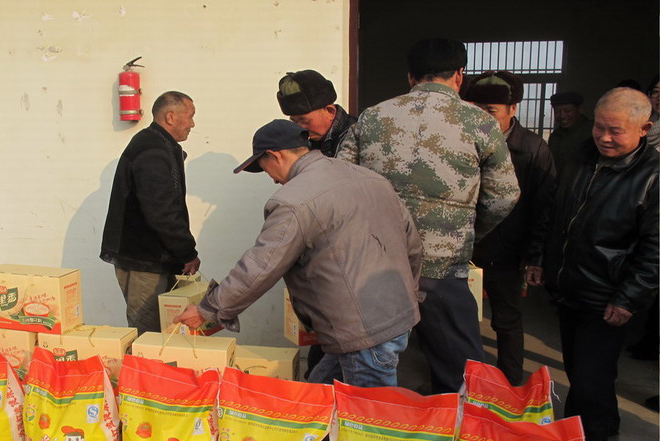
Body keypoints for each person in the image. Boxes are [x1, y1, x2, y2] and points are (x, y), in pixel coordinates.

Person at [174, 119, 422, 388]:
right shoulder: (370, 178)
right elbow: (412, 245)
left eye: (264, 168)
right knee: (318, 393)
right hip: (393, 315)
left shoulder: (294, 200)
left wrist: (209, 309)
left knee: (367, 411)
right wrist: (410, 295)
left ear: (275, 156)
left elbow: (261, 266)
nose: (272, 178)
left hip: (363, 331)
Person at [336, 38, 520, 393]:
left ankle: (375, 424)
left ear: (411, 76)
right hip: (443, 269)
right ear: (459, 75)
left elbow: (341, 186)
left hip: (377, 265)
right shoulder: (480, 123)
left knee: (369, 369)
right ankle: (456, 425)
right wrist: (464, 233)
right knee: (462, 374)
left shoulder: (372, 117)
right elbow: (505, 195)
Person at [526, 87, 659, 441]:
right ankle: (607, 423)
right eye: (600, 127)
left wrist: (629, 298)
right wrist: (538, 258)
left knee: (587, 379)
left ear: (644, 129)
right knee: (585, 369)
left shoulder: (652, 177)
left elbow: (655, 250)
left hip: (608, 295)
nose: (604, 137)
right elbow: (552, 211)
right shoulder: (581, 156)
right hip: (570, 285)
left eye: (615, 131)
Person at [464, 71, 557, 386]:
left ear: (513, 109)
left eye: (490, 111)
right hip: (464, 245)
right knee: (459, 318)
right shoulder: (461, 140)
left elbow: (544, 207)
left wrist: (534, 255)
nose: (481, 117)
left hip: (507, 249)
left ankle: (510, 385)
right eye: (476, 109)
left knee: (506, 320)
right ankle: (462, 383)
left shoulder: (532, 149)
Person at [276, 69, 358, 380]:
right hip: (320, 260)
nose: (301, 128)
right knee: (322, 344)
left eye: (304, 120)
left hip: (351, 260)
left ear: (329, 109)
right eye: (294, 121)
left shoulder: (360, 137)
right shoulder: (305, 141)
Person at [100, 91, 200, 334]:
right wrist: (187, 252)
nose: (193, 124)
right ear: (170, 117)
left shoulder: (157, 144)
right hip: (143, 261)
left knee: (163, 330)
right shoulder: (153, 151)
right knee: (148, 331)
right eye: (190, 117)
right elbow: (162, 212)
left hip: (151, 258)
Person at [277, 69, 357, 158]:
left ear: (330, 111)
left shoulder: (358, 137)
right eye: (294, 122)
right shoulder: (301, 141)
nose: (299, 129)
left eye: (304, 121)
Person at [547, 91, 592, 175]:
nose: (562, 116)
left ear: (580, 109)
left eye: (568, 110)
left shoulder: (592, 133)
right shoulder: (554, 136)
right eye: (557, 111)